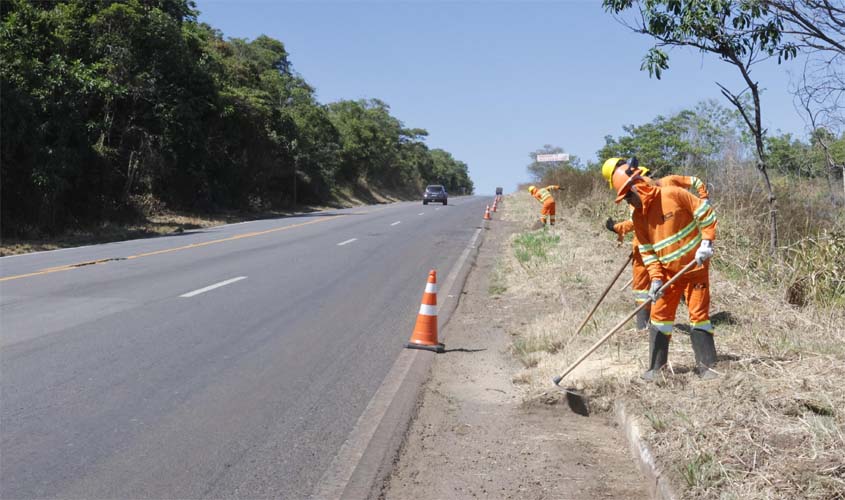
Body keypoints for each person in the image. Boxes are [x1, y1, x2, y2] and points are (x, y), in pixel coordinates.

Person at [610, 166, 719, 380]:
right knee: (659, 316)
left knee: (698, 316)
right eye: (624, 199)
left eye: (628, 196)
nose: (628, 202)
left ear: (638, 187)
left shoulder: (673, 194)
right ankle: (655, 370)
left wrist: (706, 243)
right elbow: (648, 252)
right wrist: (656, 280)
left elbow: (707, 215)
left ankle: (707, 368)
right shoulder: (639, 218)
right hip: (668, 274)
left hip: (695, 268)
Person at [600, 158, 710, 329]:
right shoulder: (636, 198)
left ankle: (643, 326)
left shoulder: (667, 188)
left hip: (679, 255)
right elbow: (638, 223)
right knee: (648, 290)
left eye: (645, 177)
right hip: (650, 248)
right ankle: (646, 326)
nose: (646, 180)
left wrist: (617, 228)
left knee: (646, 288)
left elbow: (634, 223)